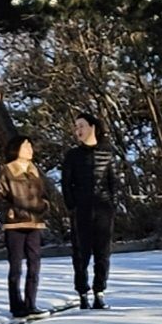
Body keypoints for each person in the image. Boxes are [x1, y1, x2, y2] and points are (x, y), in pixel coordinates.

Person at [58, 111, 124, 309]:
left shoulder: (108, 153)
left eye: (81, 126)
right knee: (81, 253)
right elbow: (66, 184)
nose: (78, 130)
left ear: (92, 127)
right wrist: (72, 205)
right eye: (76, 127)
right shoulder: (72, 155)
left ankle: (99, 291)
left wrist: (112, 205)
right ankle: (82, 292)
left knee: (103, 253)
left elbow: (114, 182)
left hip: (103, 209)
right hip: (81, 210)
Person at [0, 135, 51, 318]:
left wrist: (44, 207)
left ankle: (31, 303)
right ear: (16, 149)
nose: (30, 150)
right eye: (26, 147)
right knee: (16, 267)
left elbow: (45, 194)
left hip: (35, 222)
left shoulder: (35, 170)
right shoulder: (7, 171)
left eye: (30, 147)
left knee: (34, 264)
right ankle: (16, 305)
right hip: (15, 224)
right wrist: (10, 210)